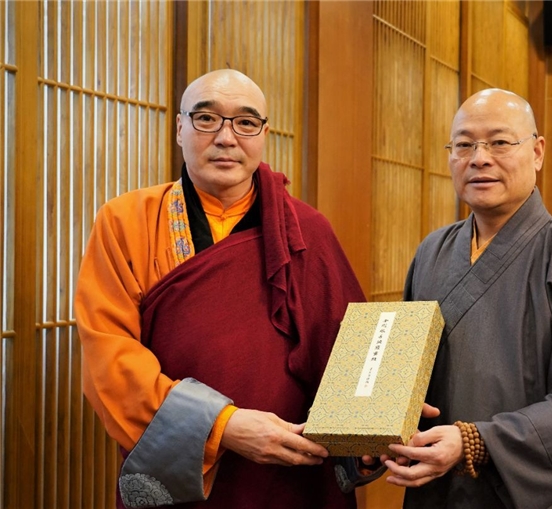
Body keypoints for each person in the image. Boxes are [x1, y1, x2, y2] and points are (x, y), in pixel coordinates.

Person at [75, 69, 375, 509]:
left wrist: (379, 416)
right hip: (181, 470)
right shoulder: (125, 222)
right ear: (180, 128)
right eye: (206, 119)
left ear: (264, 135)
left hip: (292, 471)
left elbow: (353, 349)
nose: (226, 137)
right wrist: (221, 426)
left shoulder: (308, 229)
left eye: (246, 123)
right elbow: (109, 358)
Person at [382, 89, 552, 508]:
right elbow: (403, 374)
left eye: (499, 142)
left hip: (540, 492)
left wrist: (475, 442)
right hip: (438, 484)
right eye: (464, 145)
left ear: (537, 152)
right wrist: (380, 424)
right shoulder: (431, 251)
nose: (479, 158)